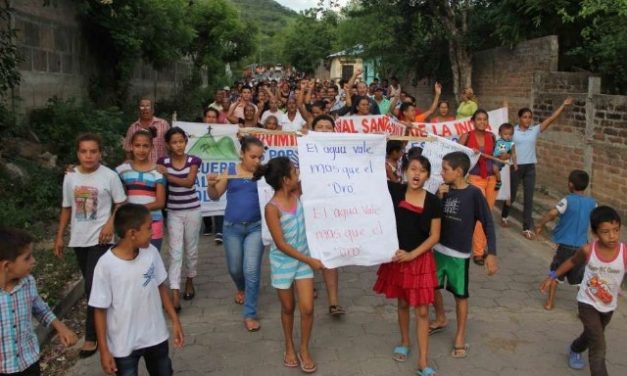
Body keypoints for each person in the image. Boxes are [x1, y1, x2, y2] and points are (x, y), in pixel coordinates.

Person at [53, 133, 126, 359]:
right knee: (95, 286)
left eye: (93, 151)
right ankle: (112, 322)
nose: (88, 155)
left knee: (92, 288)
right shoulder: (71, 176)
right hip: (79, 239)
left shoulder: (109, 176)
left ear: (100, 153)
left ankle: (92, 337)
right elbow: (67, 207)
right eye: (84, 151)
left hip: (101, 240)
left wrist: (110, 224)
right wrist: (59, 236)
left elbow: (121, 202)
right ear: (78, 154)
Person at [90, 204, 184, 376]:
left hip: (156, 336)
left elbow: (161, 288)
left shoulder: (151, 253)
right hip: (123, 344)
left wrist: (175, 320)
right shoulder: (106, 265)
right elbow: (99, 310)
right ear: (132, 234)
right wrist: (104, 351)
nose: (153, 232)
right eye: (148, 228)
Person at [373, 155, 441, 376]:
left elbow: (434, 236)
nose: (416, 174)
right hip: (397, 259)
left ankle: (422, 361)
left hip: (419, 261)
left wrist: (412, 254)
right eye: (412, 169)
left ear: (428, 176)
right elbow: (367, 179)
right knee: (402, 304)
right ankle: (404, 341)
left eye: (422, 171)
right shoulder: (394, 191)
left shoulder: (433, 202)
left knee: (422, 312)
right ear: (404, 171)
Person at [254, 157, 323, 373]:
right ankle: (289, 346)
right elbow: (281, 245)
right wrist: (310, 260)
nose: (298, 174)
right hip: (284, 263)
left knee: (308, 308)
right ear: (285, 180)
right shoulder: (271, 208)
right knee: (288, 307)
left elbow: (318, 172)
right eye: (294, 171)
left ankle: (304, 348)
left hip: (303, 263)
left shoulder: (298, 193)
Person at [540, 206, 624, 375]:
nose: (612, 236)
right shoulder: (588, 250)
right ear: (595, 233)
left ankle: (575, 348)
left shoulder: (624, 253)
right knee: (598, 346)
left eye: (616, 230)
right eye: (605, 232)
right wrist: (553, 275)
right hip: (587, 303)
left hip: (608, 306)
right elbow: (571, 261)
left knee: (593, 333)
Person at [429, 152, 497, 358]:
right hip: (438, 250)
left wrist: (491, 253)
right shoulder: (443, 191)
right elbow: (431, 217)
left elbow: (488, 223)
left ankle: (460, 335)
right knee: (431, 288)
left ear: (458, 172)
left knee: (460, 295)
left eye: (445, 169)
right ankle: (441, 318)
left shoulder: (474, 194)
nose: (441, 173)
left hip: (459, 256)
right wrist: (437, 198)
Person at [207, 136, 265, 332]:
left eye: (260, 157)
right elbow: (214, 196)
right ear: (242, 154)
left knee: (251, 270)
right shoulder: (230, 172)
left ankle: (249, 313)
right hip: (232, 229)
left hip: (256, 228)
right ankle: (241, 288)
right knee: (234, 269)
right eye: (253, 157)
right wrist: (211, 184)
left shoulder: (264, 175)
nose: (257, 161)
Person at [1, 228, 77, 375]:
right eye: (27, 258)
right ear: (6, 265)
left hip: (29, 361)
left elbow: (40, 309)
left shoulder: (28, 282)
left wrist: (62, 328)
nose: (33, 261)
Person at [500, 97, 573, 239]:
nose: (528, 120)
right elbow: (503, 140)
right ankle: (504, 215)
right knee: (512, 195)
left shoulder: (534, 130)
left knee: (529, 198)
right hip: (515, 168)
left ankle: (526, 227)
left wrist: (563, 105)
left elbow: (551, 119)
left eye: (530, 117)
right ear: (519, 118)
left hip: (530, 168)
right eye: (525, 117)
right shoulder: (512, 131)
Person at [535, 170, 597, 310]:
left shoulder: (567, 200)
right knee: (580, 279)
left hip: (565, 246)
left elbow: (552, 213)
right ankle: (584, 308)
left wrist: (540, 224)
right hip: (582, 247)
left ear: (570, 184)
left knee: (555, 273)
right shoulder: (592, 203)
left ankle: (550, 302)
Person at [157, 127, 202, 310]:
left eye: (181, 141)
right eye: (174, 142)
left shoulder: (193, 160)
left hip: (192, 210)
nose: (178, 145)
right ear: (168, 144)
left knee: (191, 250)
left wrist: (166, 174)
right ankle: (174, 290)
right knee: (175, 252)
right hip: (174, 211)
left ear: (186, 141)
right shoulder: (163, 161)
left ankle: (190, 280)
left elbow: (189, 182)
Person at [309, 115, 345, 316]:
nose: (324, 130)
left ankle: (333, 301)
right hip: (308, 209)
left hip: (332, 211)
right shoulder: (302, 152)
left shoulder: (342, 154)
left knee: (330, 254)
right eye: (319, 127)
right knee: (309, 253)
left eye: (328, 127)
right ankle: (308, 285)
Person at [116, 129, 166, 251]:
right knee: (130, 261)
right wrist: (76, 167)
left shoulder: (158, 172)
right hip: (129, 224)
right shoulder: (122, 170)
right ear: (131, 147)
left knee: (151, 260)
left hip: (153, 223)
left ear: (151, 147)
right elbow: (103, 176)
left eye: (145, 146)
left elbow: (160, 202)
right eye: (137, 145)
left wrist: (135, 210)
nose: (141, 149)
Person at [459, 110, 497, 265]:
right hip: (475, 179)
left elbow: (498, 156)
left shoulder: (492, 137)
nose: (482, 122)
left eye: (484, 119)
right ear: (473, 121)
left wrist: (505, 157)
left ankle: (482, 246)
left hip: (492, 180)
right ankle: (478, 253)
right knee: (480, 217)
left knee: (487, 216)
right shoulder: (466, 136)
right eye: (479, 119)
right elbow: (458, 156)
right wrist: (469, 154)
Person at [201, 108, 225, 244]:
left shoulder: (223, 133)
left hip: (218, 167)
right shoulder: (198, 133)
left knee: (219, 196)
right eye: (208, 117)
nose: (211, 119)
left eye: (213, 117)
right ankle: (208, 224)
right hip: (202, 168)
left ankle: (220, 230)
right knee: (203, 193)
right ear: (204, 118)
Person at [123, 98, 170, 163]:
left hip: (160, 168)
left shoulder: (164, 124)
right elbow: (128, 150)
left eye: (148, 106)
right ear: (138, 110)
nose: (145, 108)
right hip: (140, 168)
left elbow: (171, 145)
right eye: (142, 106)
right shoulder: (132, 128)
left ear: (153, 110)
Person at [493, 123, 518, 191]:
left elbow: (513, 154)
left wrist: (515, 165)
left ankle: (499, 181)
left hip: (500, 160)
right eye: (505, 134)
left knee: (494, 168)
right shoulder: (497, 141)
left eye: (510, 134)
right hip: (493, 158)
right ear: (500, 133)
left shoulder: (511, 144)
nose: (508, 136)